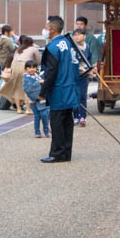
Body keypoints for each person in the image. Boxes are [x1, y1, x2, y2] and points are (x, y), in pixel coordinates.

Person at [39, 16, 79, 163]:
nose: (45, 30)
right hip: (70, 87)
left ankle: (57, 153)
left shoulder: (52, 47)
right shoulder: (69, 43)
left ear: (53, 29)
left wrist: (43, 92)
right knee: (67, 122)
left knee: (56, 122)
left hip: (58, 89)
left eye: (47, 27)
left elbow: (51, 72)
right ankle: (66, 152)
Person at [0, 36, 40, 114]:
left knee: (17, 88)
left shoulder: (19, 49)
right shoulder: (33, 49)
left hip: (14, 66)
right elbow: (38, 61)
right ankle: (28, 109)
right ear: (31, 42)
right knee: (27, 88)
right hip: (24, 66)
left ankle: (19, 109)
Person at [71, 28, 94, 127]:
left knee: (83, 95)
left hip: (84, 75)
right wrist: (81, 68)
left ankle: (82, 117)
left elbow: (89, 60)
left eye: (79, 34)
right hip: (74, 74)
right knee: (75, 96)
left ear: (84, 36)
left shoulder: (87, 47)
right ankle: (75, 116)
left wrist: (90, 70)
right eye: (75, 35)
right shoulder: (72, 48)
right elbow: (72, 61)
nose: (77, 36)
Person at [22, 60, 49, 138]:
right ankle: (37, 132)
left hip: (41, 98)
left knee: (44, 115)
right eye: (29, 67)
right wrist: (38, 82)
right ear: (26, 69)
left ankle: (46, 130)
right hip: (33, 99)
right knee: (37, 116)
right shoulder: (26, 77)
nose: (32, 69)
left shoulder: (37, 75)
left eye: (34, 67)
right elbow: (27, 88)